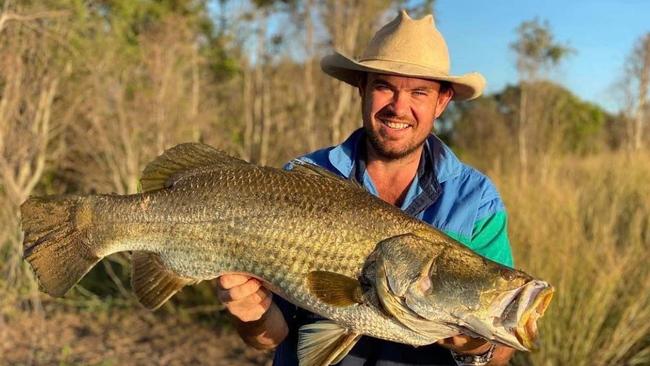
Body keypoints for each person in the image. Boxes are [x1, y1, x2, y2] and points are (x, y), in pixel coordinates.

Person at [216, 10, 515, 366]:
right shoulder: (301, 179)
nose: (398, 107)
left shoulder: (476, 200)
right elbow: (271, 335)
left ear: (442, 101)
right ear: (363, 88)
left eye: (418, 92)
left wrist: (477, 348)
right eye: (385, 86)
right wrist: (248, 312)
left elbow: (502, 347)